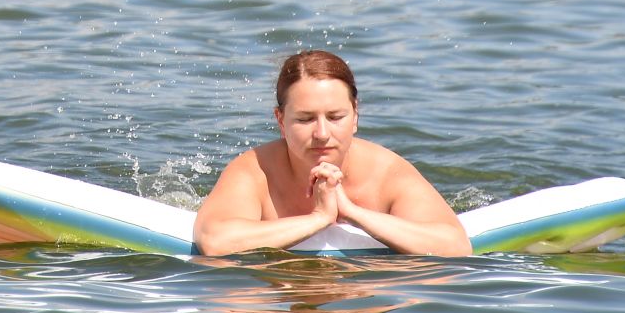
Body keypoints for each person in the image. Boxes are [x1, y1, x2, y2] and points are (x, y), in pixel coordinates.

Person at [194, 51, 472, 256]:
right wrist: (319, 218)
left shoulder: (387, 172)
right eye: (305, 119)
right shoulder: (255, 170)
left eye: (336, 117)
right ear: (280, 121)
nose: (322, 133)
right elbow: (215, 240)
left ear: (355, 117)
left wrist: (351, 212)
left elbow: (456, 246)